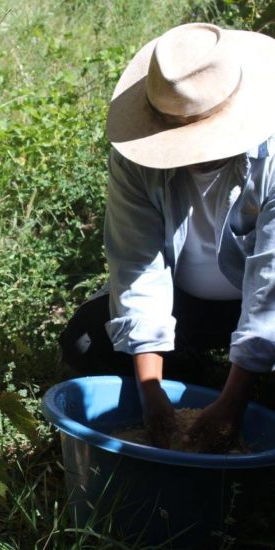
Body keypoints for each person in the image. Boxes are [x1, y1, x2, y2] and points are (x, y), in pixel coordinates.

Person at [60, 22, 275, 451]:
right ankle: (186, 379)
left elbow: (270, 286)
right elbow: (137, 267)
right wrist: (151, 391)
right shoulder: (134, 163)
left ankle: (235, 386)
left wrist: (234, 400)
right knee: (86, 340)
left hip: (255, 301)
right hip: (183, 302)